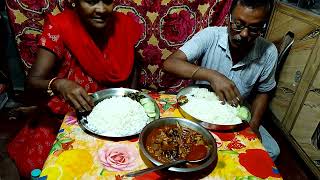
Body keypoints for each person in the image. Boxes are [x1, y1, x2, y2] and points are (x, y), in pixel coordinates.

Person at [7, 0, 142, 177]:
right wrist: (58, 83)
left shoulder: (124, 23)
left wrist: (130, 99)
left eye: (108, 1)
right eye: (91, 1)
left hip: (112, 117)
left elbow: (135, 63)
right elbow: (32, 82)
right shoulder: (60, 26)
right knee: (54, 170)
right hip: (65, 116)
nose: (101, 9)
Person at [163, 0, 280, 161]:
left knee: (272, 151)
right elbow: (170, 63)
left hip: (235, 114)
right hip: (199, 108)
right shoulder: (210, 35)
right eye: (238, 24)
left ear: (264, 26)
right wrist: (212, 75)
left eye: (254, 28)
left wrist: (254, 125)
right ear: (228, 19)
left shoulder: (269, 52)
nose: (244, 34)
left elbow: (264, 91)